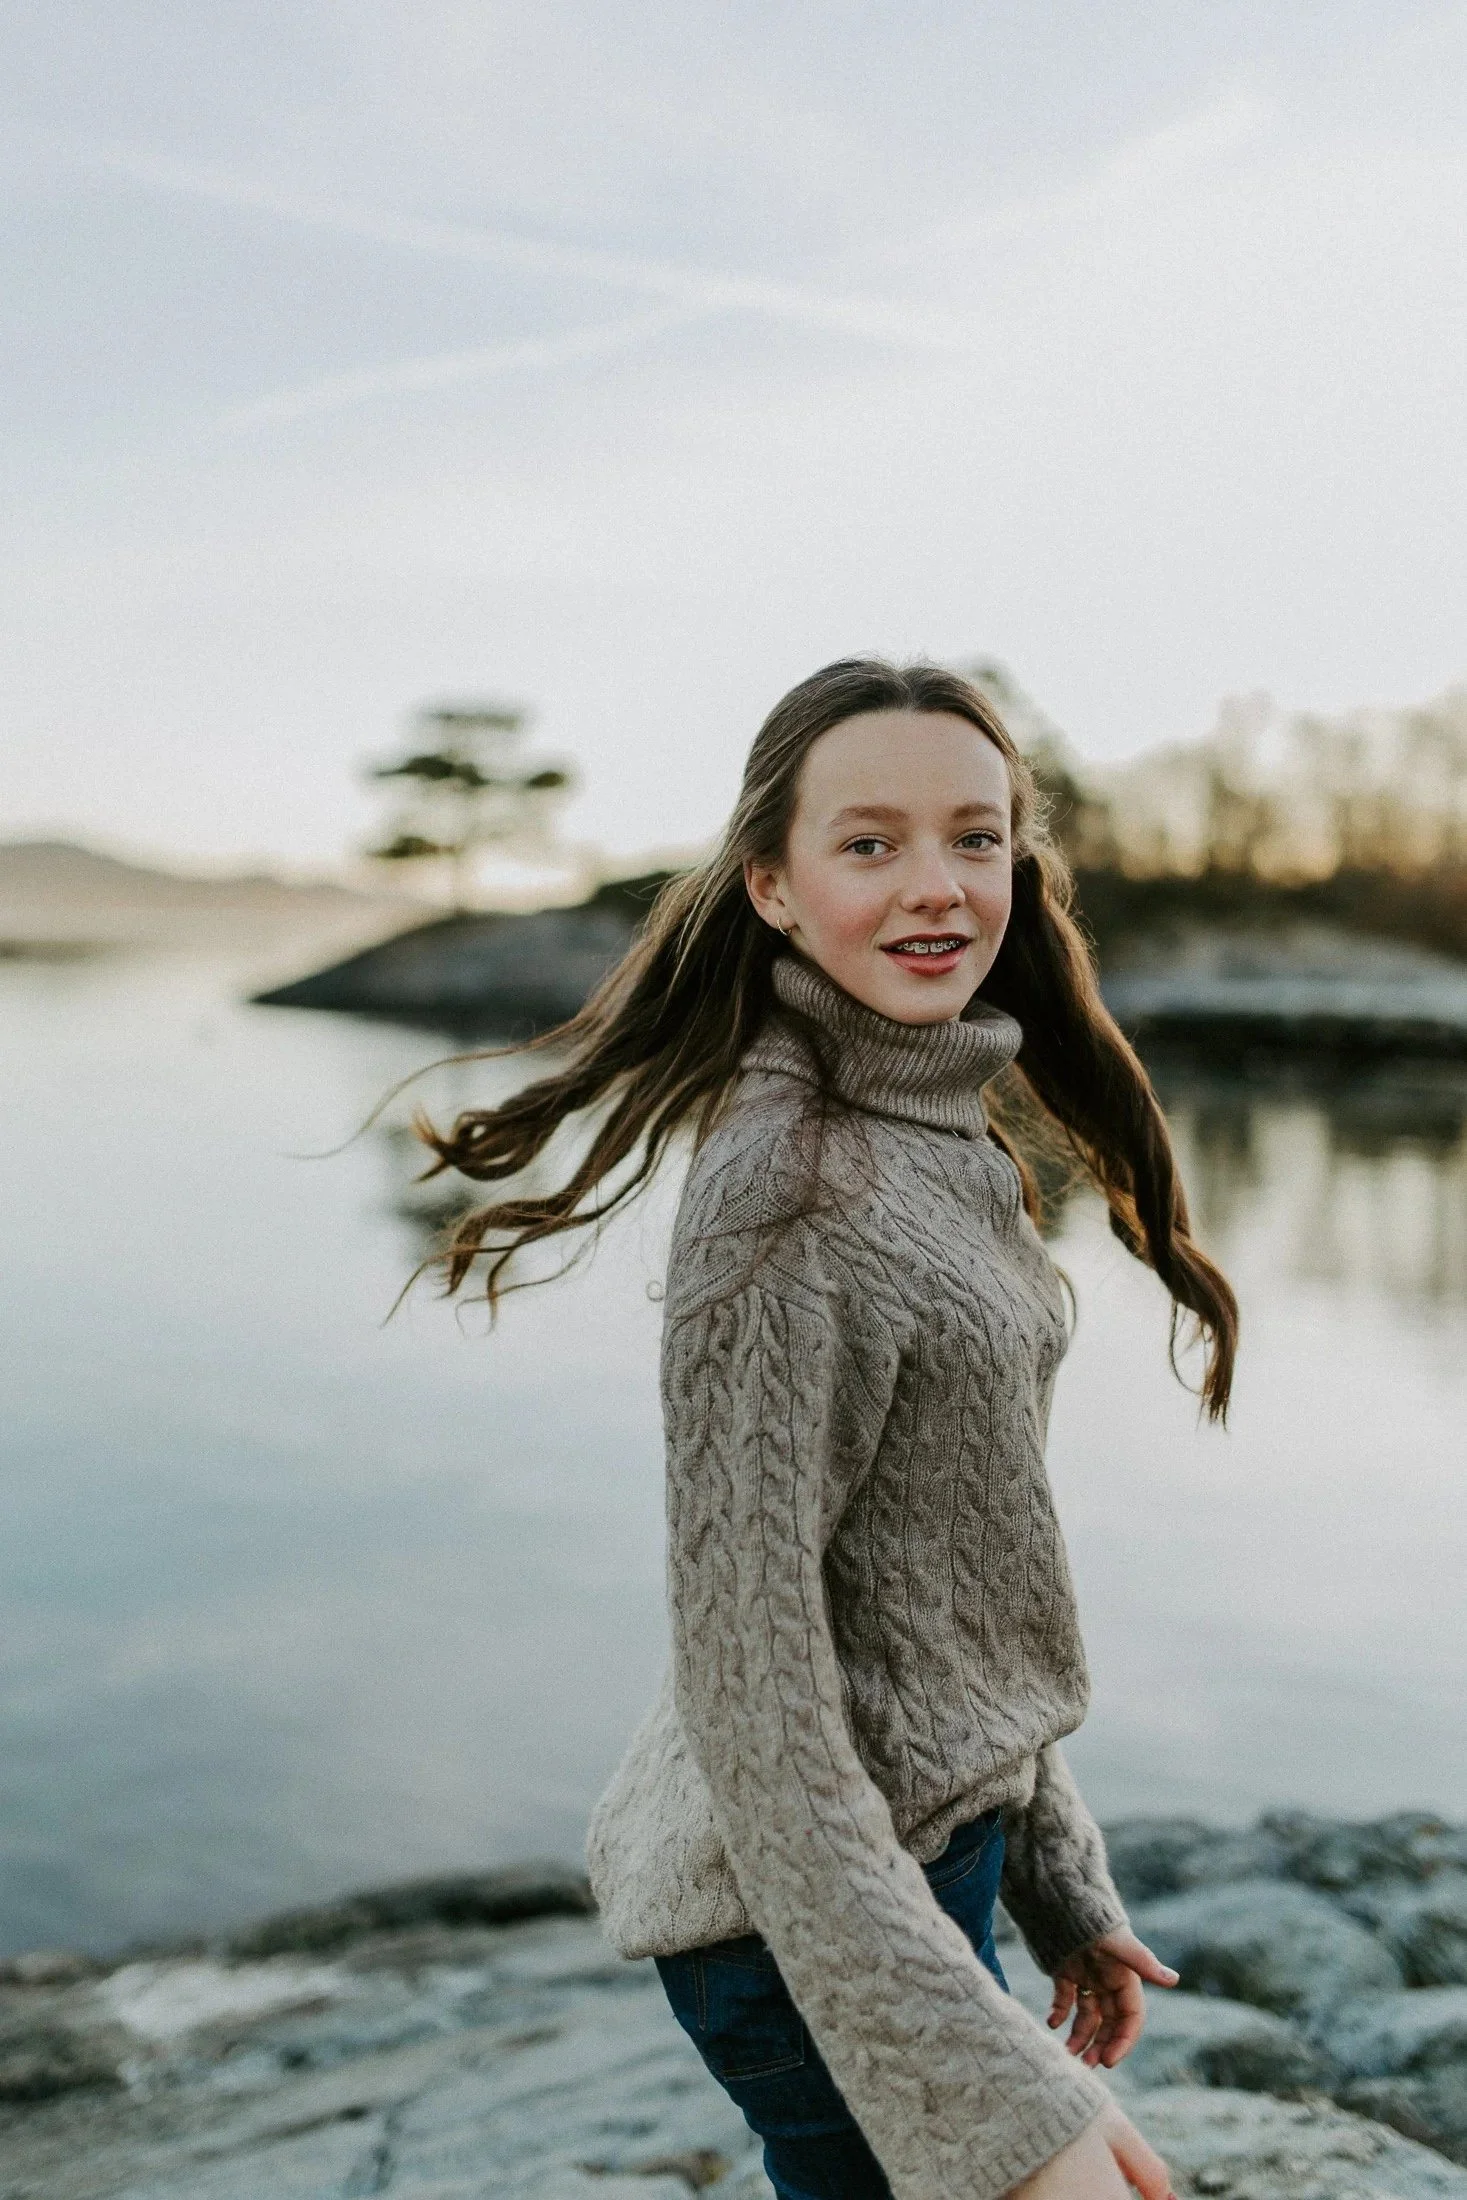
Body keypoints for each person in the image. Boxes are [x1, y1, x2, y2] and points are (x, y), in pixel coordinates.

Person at [416, 660, 1238, 2200]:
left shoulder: (928, 1127)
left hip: (921, 1860)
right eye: (869, 844)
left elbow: (944, 1569)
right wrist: (987, 2072)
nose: (937, 888)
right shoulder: (785, 1199)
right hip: (798, 1915)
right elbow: (758, 1720)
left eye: (975, 839)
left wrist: (1053, 1878)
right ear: (772, 888)